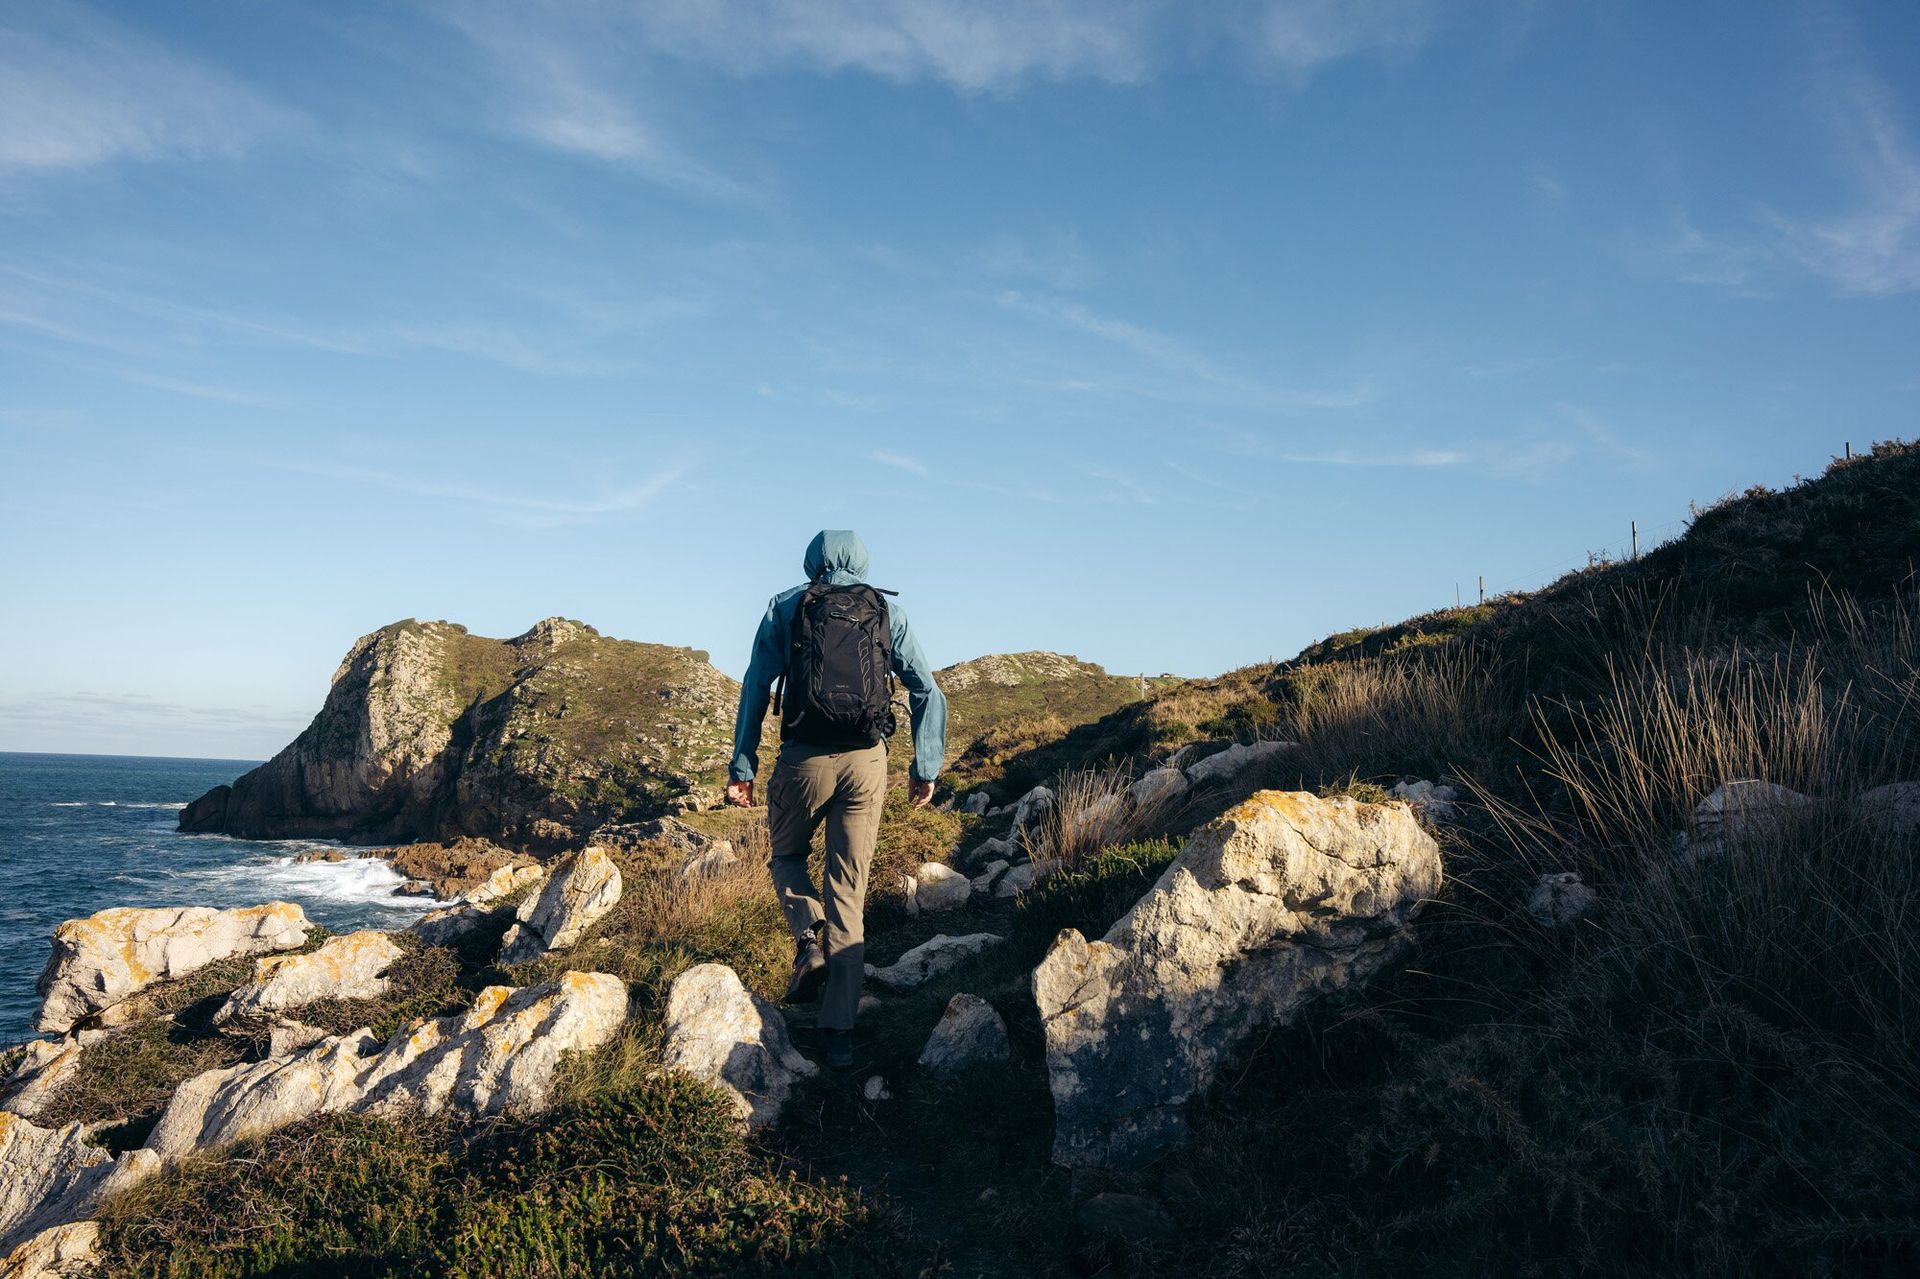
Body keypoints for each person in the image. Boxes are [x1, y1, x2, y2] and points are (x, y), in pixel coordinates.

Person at [726, 529, 947, 1069]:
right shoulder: (886, 611)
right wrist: (925, 767)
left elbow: (755, 687)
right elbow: (927, 689)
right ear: (862, 563)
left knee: (786, 855)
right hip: (867, 763)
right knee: (848, 890)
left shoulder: (786, 607)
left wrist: (743, 767)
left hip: (803, 760)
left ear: (812, 562)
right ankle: (839, 1036)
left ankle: (809, 936)